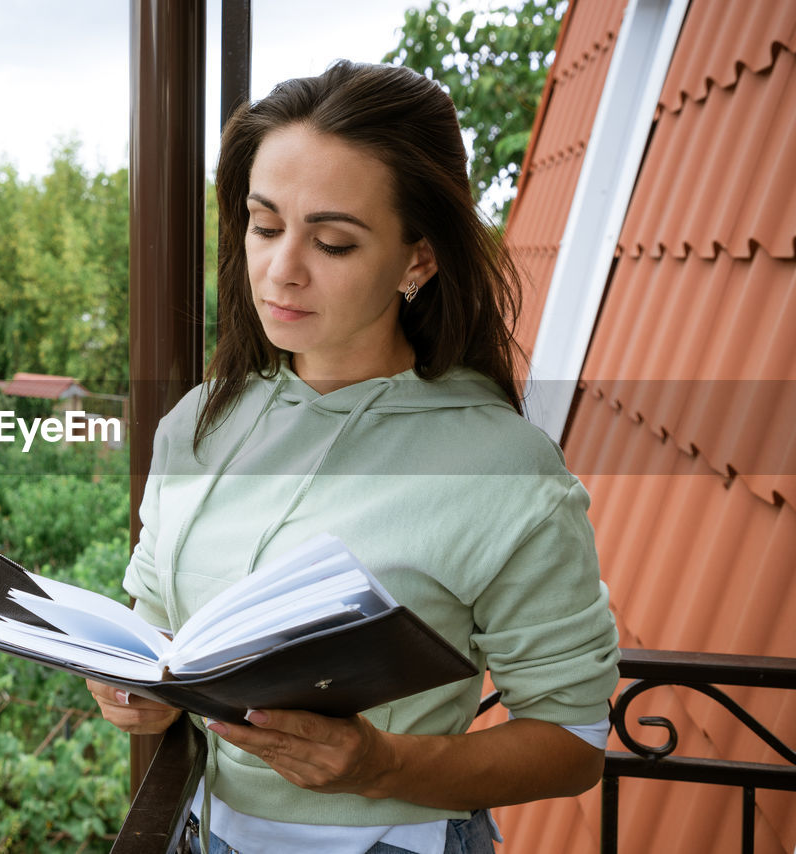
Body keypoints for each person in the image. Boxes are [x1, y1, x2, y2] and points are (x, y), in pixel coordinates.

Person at [87, 60, 620, 854]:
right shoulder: (199, 423)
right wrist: (138, 690)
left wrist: (381, 763)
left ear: (419, 261)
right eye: (265, 226)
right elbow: (159, 630)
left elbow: (573, 745)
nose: (280, 268)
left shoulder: (505, 470)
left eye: (332, 241)